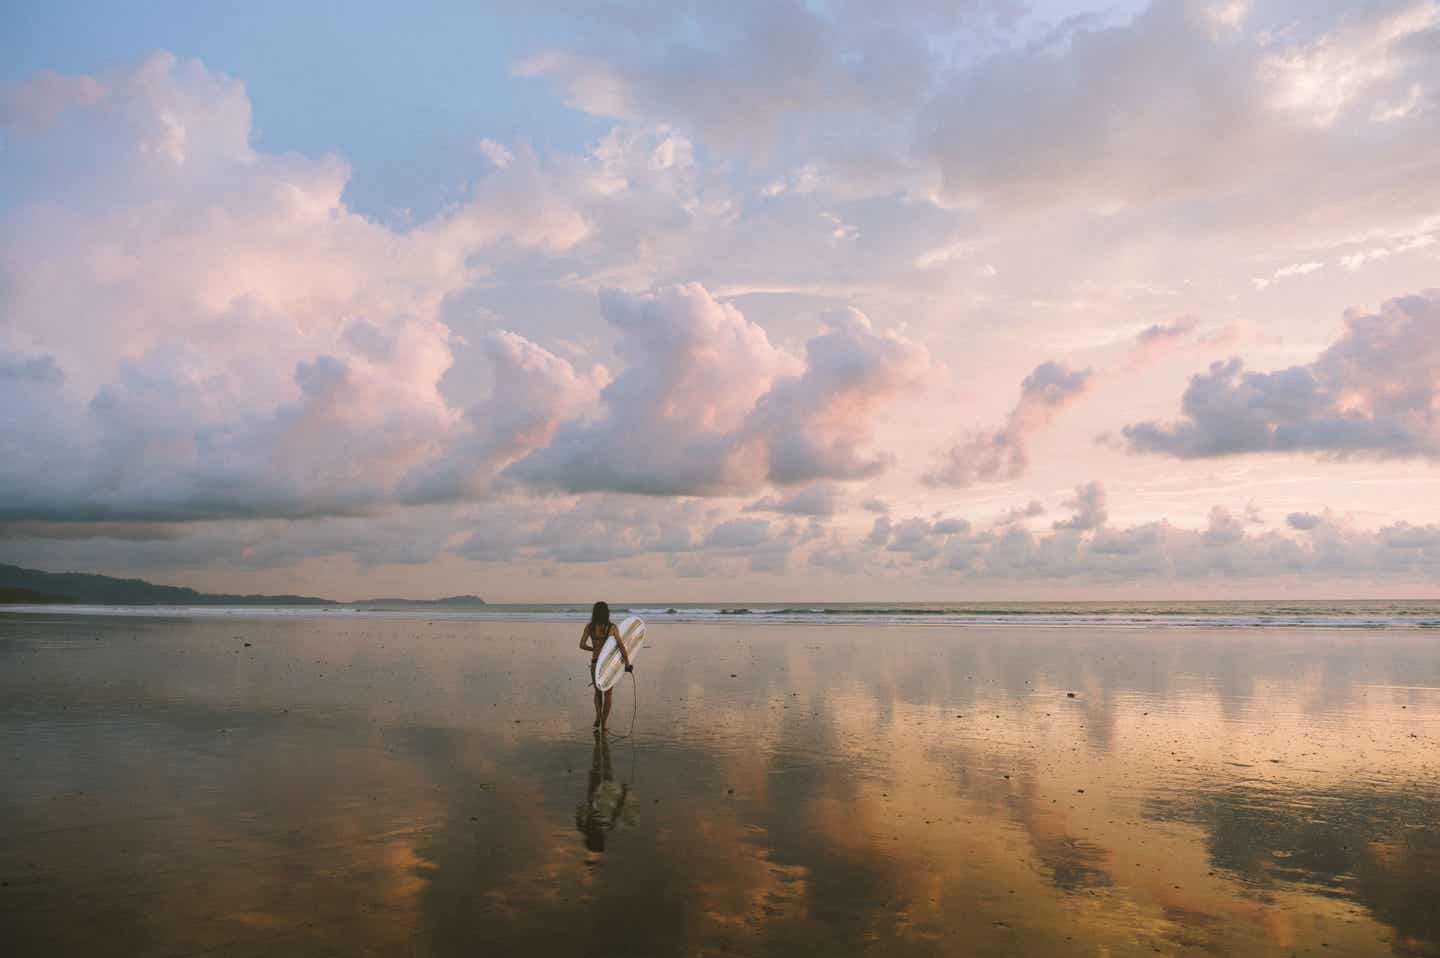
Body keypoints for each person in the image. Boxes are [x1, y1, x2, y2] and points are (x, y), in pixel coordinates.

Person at [579, 600, 630, 730]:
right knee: (608, 694)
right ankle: (604, 723)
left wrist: (594, 650)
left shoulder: (589, 627)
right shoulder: (612, 627)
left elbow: (582, 645)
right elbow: (621, 646)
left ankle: (597, 716)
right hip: (608, 665)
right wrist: (627, 663)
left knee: (597, 692)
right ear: (607, 613)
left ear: (594, 613)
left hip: (595, 663)